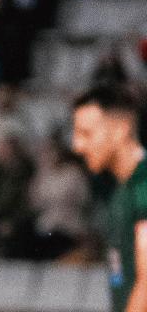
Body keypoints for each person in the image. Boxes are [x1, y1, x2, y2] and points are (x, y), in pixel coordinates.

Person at [71, 84, 147, 312]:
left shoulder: (143, 187)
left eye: (86, 133)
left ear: (121, 129)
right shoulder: (121, 190)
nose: (77, 146)